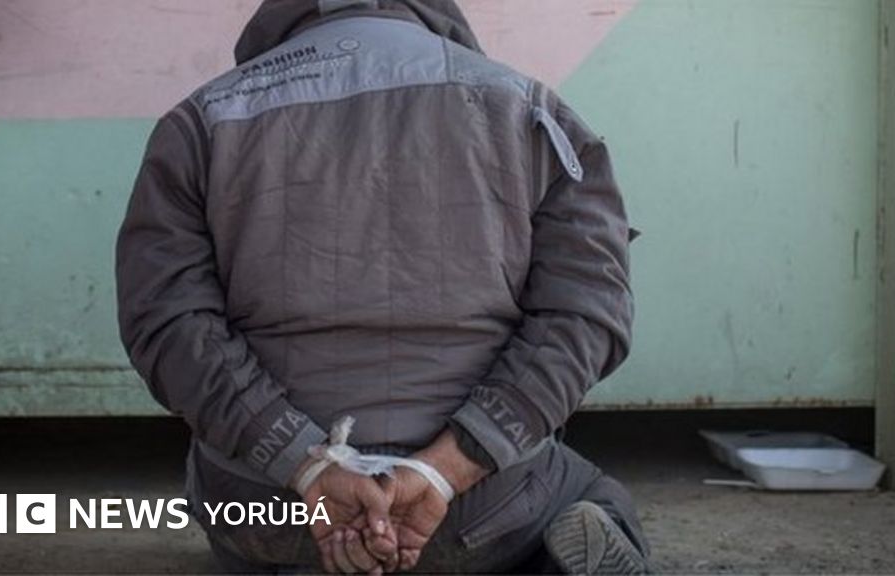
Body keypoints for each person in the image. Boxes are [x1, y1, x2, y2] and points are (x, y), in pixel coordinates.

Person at [116, 0, 651, 573]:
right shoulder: (531, 109)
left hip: (279, 504)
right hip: (480, 505)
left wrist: (307, 466)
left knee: (243, 518)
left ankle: (298, 560)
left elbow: (168, 323)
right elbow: (586, 316)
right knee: (587, 498)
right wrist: (443, 471)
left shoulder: (202, 121)